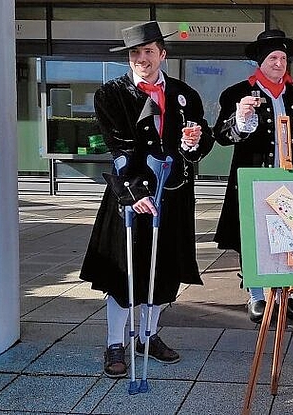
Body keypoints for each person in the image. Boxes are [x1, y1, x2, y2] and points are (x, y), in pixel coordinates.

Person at [80, 21, 214, 378]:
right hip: (130, 196)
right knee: (124, 273)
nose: (142, 58)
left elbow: (201, 143)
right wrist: (137, 194)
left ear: (162, 55)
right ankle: (114, 343)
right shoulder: (111, 95)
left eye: (149, 51)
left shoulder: (185, 94)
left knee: (164, 270)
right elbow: (120, 148)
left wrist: (192, 143)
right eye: (136, 53)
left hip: (173, 196)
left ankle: (147, 336)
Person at [212, 29, 293, 324]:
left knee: (287, 238)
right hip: (251, 180)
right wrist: (241, 120)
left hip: (287, 180)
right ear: (260, 62)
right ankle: (256, 296)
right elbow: (222, 136)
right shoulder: (235, 94)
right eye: (273, 58)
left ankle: (283, 296)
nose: (279, 63)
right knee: (252, 238)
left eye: (282, 58)